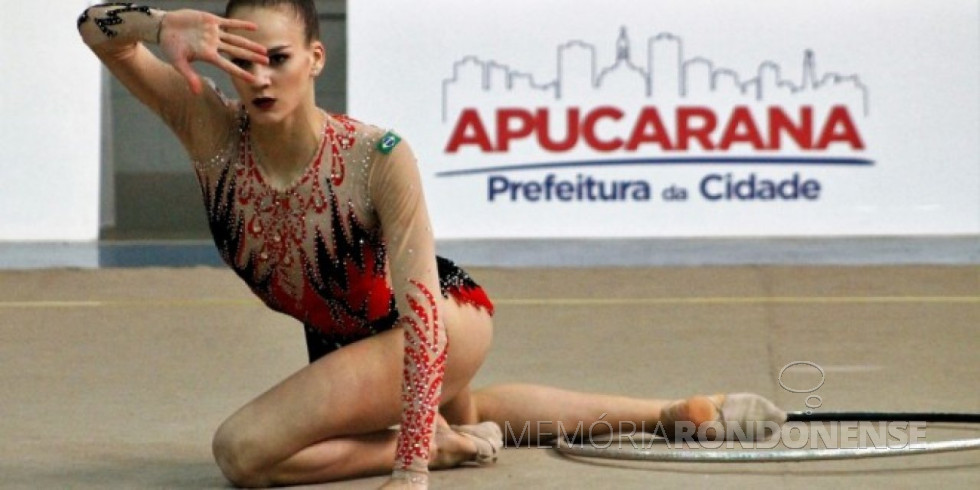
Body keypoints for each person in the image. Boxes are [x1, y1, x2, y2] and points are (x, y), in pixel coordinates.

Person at [78, 2, 786, 488]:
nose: (259, 77)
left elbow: (420, 314)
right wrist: (162, 21)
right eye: (241, 61)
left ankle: (438, 441)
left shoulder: (375, 155)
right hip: (351, 340)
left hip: (441, 316)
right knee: (467, 412)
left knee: (242, 451)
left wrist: (412, 465)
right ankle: (669, 414)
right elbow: (93, 27)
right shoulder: (207, 129)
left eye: (278, 58)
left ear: (316, 58)